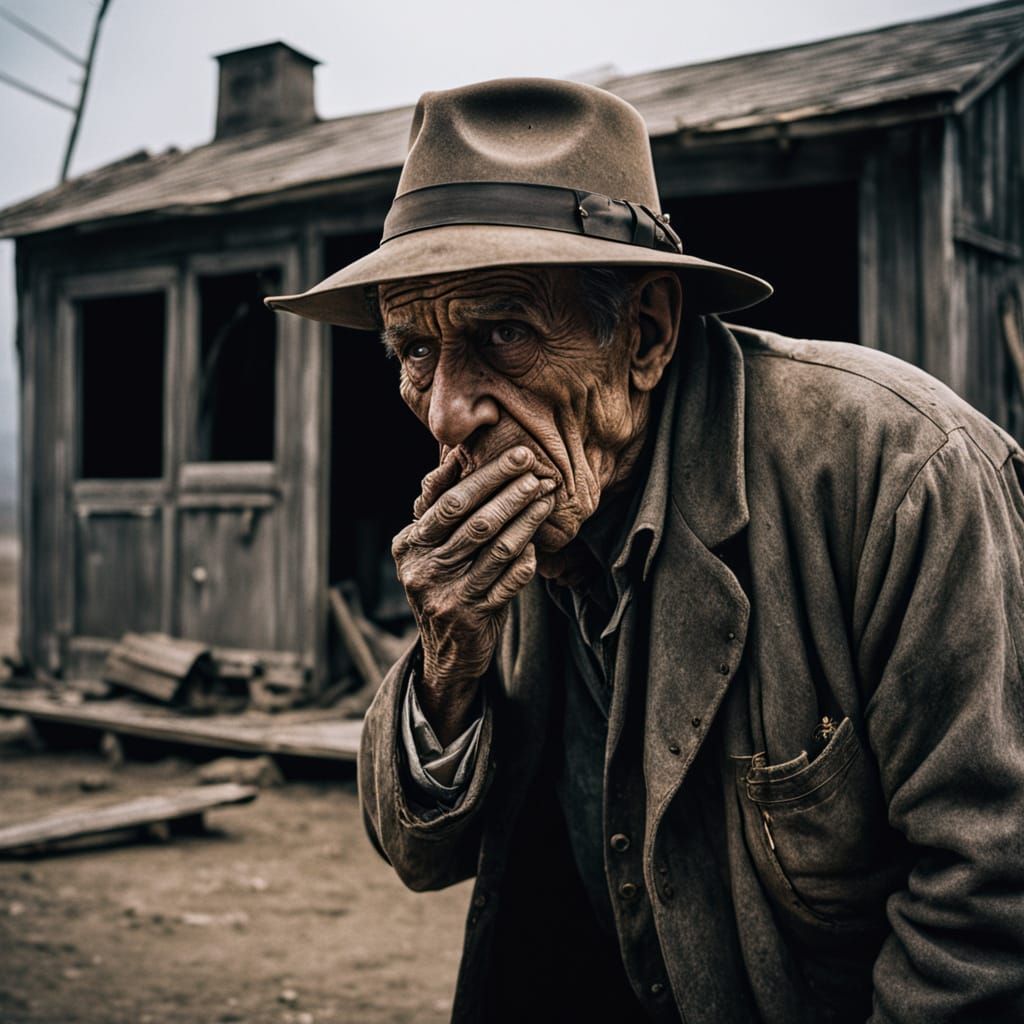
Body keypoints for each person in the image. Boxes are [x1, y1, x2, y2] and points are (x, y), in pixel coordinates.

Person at [267, 78, 1024, 1023]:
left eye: (503, 332)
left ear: (647, 334)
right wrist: (447, 660)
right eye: (414, 351)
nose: (448, 410)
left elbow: (989, 902)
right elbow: (419, 854)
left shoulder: (897, 473)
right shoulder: (517, 507)